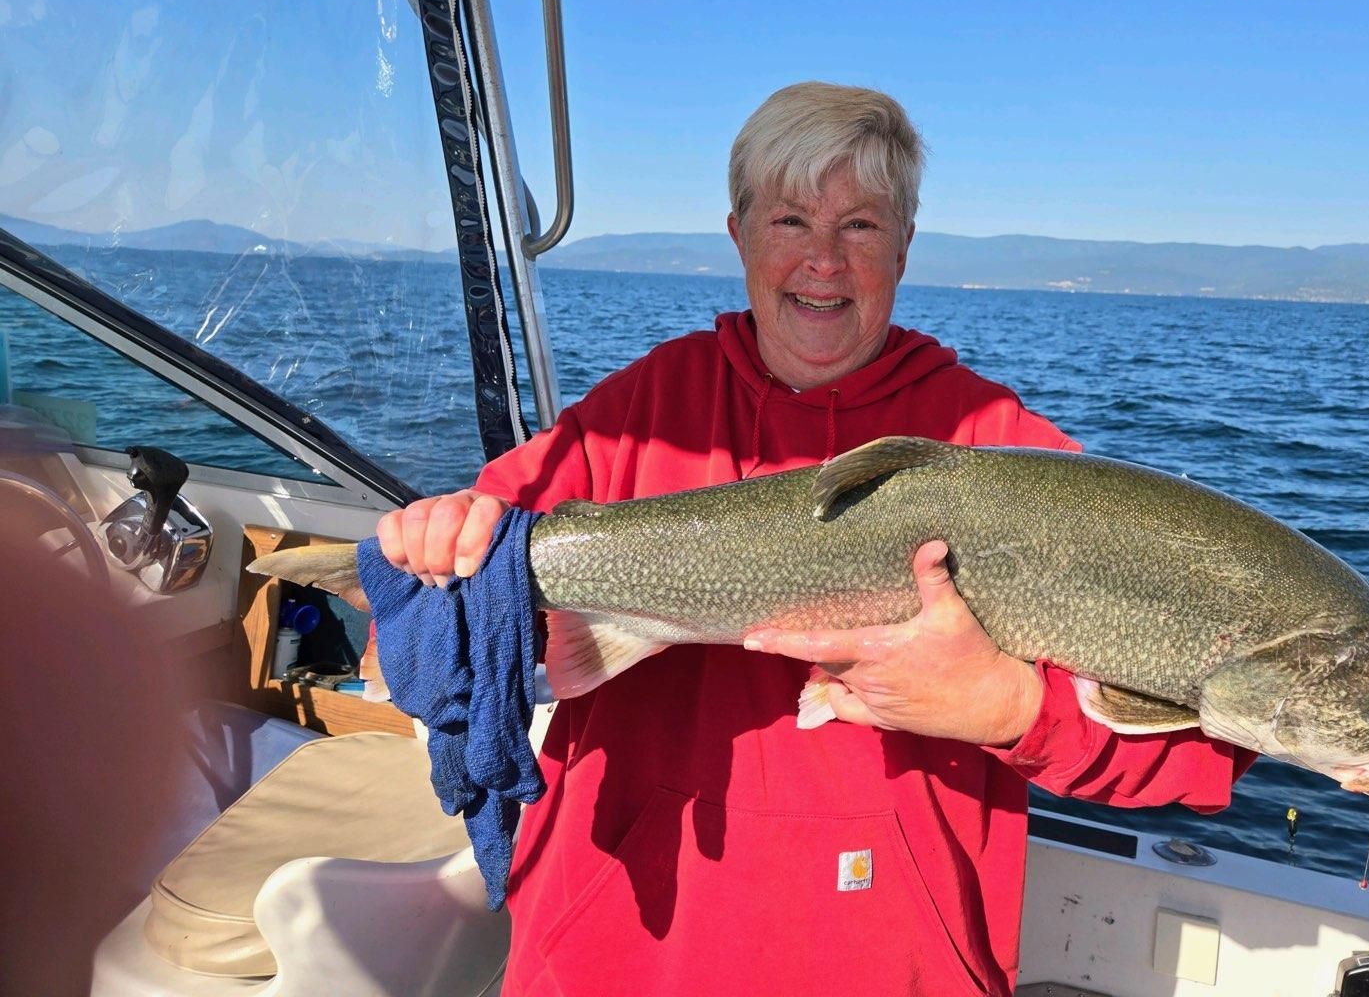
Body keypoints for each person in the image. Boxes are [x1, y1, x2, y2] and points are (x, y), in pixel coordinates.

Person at [378, 82, 1252, 996]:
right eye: (791, 220)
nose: (823, 262)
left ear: (905, 246)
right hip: (615, 942)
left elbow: (1203, 755)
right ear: (740, 236)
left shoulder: (1005, 453)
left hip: (886, 961)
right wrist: (435, 548)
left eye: (862, 227)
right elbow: (423, 633)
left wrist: (1013, 711)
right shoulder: (640, 413)